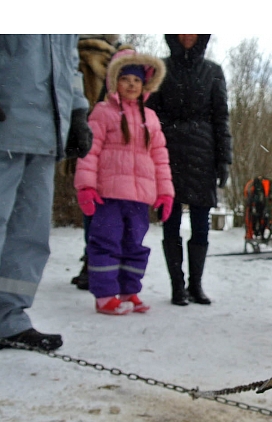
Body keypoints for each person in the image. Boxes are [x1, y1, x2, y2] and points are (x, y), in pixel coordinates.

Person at [0, 35, 91, 384]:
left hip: (43, 130)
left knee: (30, 234)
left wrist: (77, 109)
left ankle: (8, 318)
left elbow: (67, 58)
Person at [73, 49, 174, 315]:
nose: (131, 84)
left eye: (137, 80)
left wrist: (165, 193)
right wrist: (86, 186)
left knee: (134, 246)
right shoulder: (103, 112)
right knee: (106, 243)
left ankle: (130, 291)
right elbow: (89, 151)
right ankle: (105, 296)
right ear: (114, 81)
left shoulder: (150, 118)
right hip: (109, 195)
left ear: (145, 85)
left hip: (140, 197)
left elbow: (160, 158)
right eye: (126, 78)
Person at [146, 35, 232, 306]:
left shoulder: (213, 71)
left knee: (200, 224)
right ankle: (177, 286)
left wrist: (224, 160)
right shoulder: (160, 68)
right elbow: (149, 115)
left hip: (202, 155)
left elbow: (221, 117)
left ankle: (196, 285)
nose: (187, 36)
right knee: (170, 220)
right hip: (166, 152)